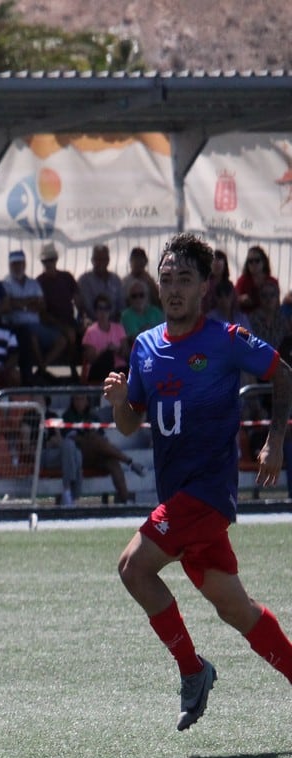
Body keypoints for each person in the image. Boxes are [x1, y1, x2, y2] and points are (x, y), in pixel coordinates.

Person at [104, 231, 292, 731]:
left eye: (184, 279)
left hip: (206, 495)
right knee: (236, 609)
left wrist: (274, 438)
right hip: (183, 500)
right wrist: (122, 401)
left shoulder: (225, 339)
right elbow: (130, 424)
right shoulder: (144, 347)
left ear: (204, 287)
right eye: (166, 279)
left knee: (132, 568)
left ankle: (192, 670)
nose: (173, 289)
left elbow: (284, 375)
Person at [1, 248, 65, 379]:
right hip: (17, 326)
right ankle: (39, 372)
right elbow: (8, 305)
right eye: (14, 264)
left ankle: (42, 368)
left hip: (36, 324)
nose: (17, 267)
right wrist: (28, 303)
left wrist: (18, 303)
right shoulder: (5, 284)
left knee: (62, 340)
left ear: (24, 264)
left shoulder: (33, 283)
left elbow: (41, 306)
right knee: (31, 337)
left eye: (20, 263)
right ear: (9, 265)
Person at [81, 295, 128, 383]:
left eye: (106, 308)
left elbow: (126, 354)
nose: (103, 312)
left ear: (110, 311)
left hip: (120, 370)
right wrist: (104, 351)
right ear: (95, 311)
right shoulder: (90, 332)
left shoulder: (119, 328)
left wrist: (117, 349)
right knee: (108, 356)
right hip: (99, 371)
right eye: (100, 308)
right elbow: (91, 359)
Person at [77, 244, 124, 326]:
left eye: (104, 259)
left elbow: (121, 306)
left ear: (108, 260)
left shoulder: (116, 280)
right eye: (97, 259)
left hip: (114, 323)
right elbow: (84, 308)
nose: (101, 262)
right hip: (92, 324)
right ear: (92, 260)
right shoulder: (84, 280)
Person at [235, 245, 280, 315]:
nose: (254, 264)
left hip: (267, 318)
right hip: (247, 318)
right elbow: (233, 300)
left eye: (257, 260)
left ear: (264, 262)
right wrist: (241, 299)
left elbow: (277, 305)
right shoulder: (243, 280)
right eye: (250, 261)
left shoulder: (272, 281)